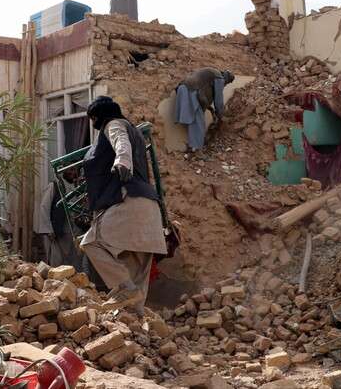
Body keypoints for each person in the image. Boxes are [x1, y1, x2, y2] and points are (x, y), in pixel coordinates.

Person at [80, 96, 166, 314]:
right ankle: (137, 324)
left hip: (129, 202)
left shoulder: (114, 124)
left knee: (92, 243)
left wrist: (122, 161)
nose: (93, 123)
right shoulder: (135, 131)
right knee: (136, 277)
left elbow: (121, 143)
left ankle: (125, 289)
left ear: (100, 116)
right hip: (150, 209)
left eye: (93, 118)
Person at [175, 68, 236, 151]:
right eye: (227, 83)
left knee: (194, 121)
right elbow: (218, 100)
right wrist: (220, 115)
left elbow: (204, 90)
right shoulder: (219, 78)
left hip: (183, 89)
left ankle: (192, 147)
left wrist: (211, 109)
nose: (225, 85)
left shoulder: (212, 73)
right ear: (227, 79)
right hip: (192, 92)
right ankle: (196, 150)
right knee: (199, 123)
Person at [35, 168, 84, 267]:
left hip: (75, 232)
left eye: (75, 170)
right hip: (58, 232)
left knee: (75, 264)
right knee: (57, 264)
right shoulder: (54, 186)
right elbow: (44, 207)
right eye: (70, 169)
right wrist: (49, 229)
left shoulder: (80, 187)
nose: (72, 173)